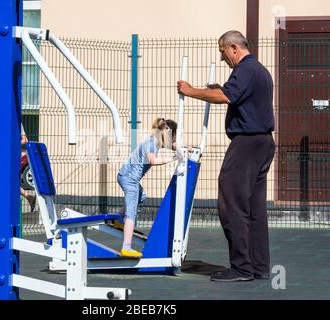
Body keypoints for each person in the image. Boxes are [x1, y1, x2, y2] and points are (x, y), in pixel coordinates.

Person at [177, 30, 275, 282]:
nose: (223, 59)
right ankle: (259, 267)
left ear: (233, 47)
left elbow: (226, 96)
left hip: (246, 145)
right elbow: (238, 97)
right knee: (254, 209)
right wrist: (220, 89)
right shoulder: (260, 71)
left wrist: (191, 91)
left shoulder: (245, 70)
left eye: (223, 52)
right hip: (263, 144)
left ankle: (242, 268)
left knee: (231, 204)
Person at [117, 118, 178, 258]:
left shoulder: (157, 140)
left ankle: (119, 219)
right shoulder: (152, 143)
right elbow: (152, 160)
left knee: (141, 196)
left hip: (126, 176)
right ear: (166, 131)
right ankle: (126, 247)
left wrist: (188, 150)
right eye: (173, 136)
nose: (173, 140)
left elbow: (173, 147)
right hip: (129, 179)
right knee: (131, 213)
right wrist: (173, 159)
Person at [20, 124, 36, 212]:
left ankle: (28, 197)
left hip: (14, 156)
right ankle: (28, 197)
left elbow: (25, 140)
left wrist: (10, 144)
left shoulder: (17, 122)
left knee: (9, 182)